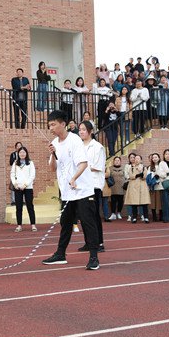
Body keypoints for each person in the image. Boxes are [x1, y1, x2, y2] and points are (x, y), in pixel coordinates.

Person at [42, 110, 100, 270]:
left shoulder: (74, 140)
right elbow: (52, 168)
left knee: (88, 223)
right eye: (49, 125)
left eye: (53, 124)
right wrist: (53, 155)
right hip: (67, 192)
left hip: (82, 190)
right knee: (65, 223)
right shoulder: (54, 142)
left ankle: (94, 257)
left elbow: (83, 163)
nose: (51, 128)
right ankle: (60, 254)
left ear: (63, 124)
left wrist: (74, 178)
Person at [78, 121, 106, 249]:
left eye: (84, 129)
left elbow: (97, 166)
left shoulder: (97, 147)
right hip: (81, 185)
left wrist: (81, 168)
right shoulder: (78, 146)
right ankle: (88, 242)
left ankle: (99, 242)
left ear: (90, 131)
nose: (81, 132)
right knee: (84, 216)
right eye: (80, 130)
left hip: (93, 185)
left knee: (94, 215)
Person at [10, 146, 37, 233]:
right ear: (18, 154)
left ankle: (33, 225)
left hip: (28, 188)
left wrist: (25, 185)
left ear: (26, 153)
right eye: (20, 152)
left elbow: (32, 175)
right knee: (18, 207)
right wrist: (15, 184)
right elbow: (12, 174)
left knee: (30, 206)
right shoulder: (15, 163)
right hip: (18, 188)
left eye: (24, 152)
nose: (22, 154)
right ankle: (19, 226)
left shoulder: (30, 163)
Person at [125, 154, 150, 223]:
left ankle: (146, 217)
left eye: (138, 158)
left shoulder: (144, 167)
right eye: (135, 158)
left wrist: (140, 172)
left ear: (141, 160)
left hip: (142, 186)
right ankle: (134, 217)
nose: (136, 160)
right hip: (133, 187)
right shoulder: (131, 168)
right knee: (134, 203)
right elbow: (131, 176)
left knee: (144, 203)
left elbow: (144, 176)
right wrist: (137, 175)